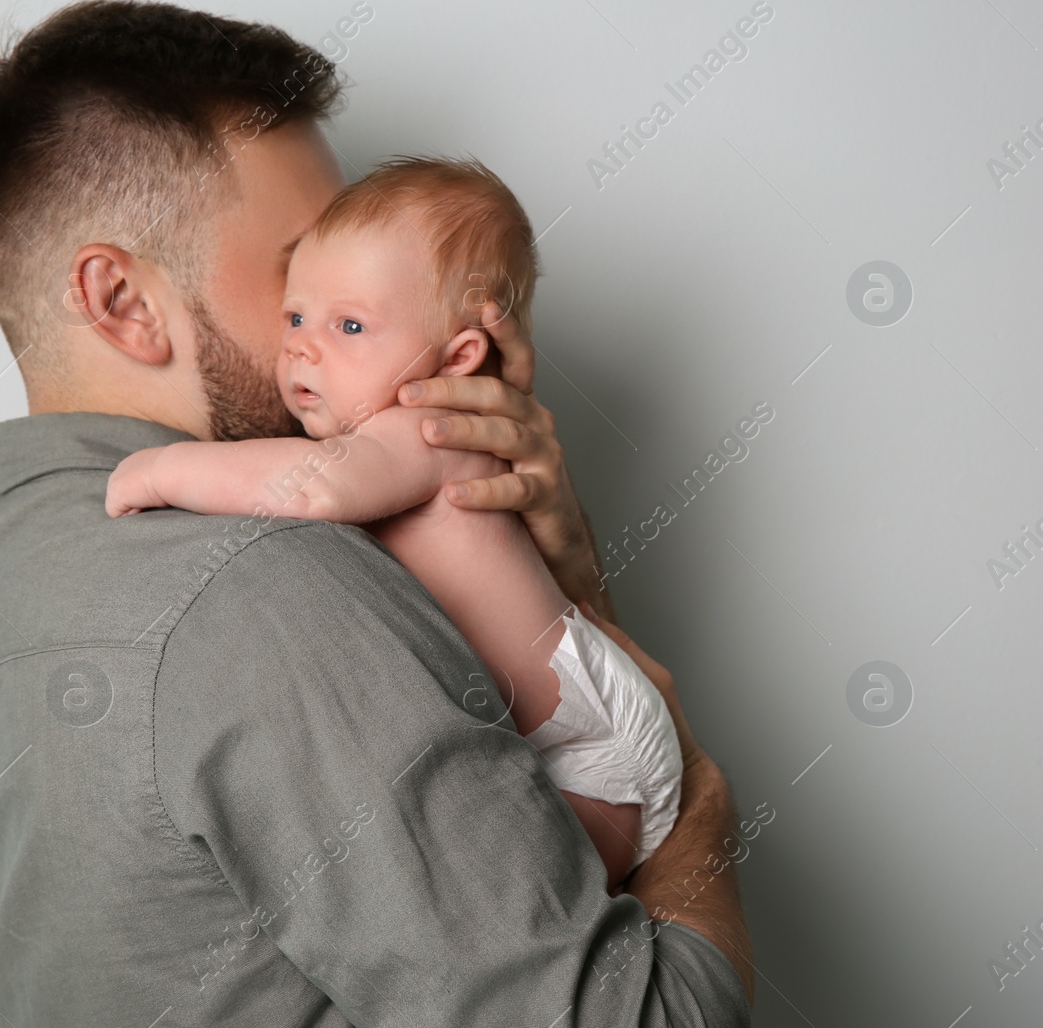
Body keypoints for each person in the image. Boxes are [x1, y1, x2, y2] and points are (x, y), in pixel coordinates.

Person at [0, 0, 752, 1025]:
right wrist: (699, 820)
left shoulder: (9, 554)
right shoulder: (265, 579)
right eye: (295, 279)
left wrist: (547, 561)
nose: (322, 326)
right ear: (123, 303)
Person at [105, 155, 684, 893]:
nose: (303, 346)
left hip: (589, 745)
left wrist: (161, 470)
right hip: (558, 725)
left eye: (350, 324)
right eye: (294, 315)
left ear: (458, 357)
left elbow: (311, 487)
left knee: (524, 901)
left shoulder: (425, 430)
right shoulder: (390, 439)